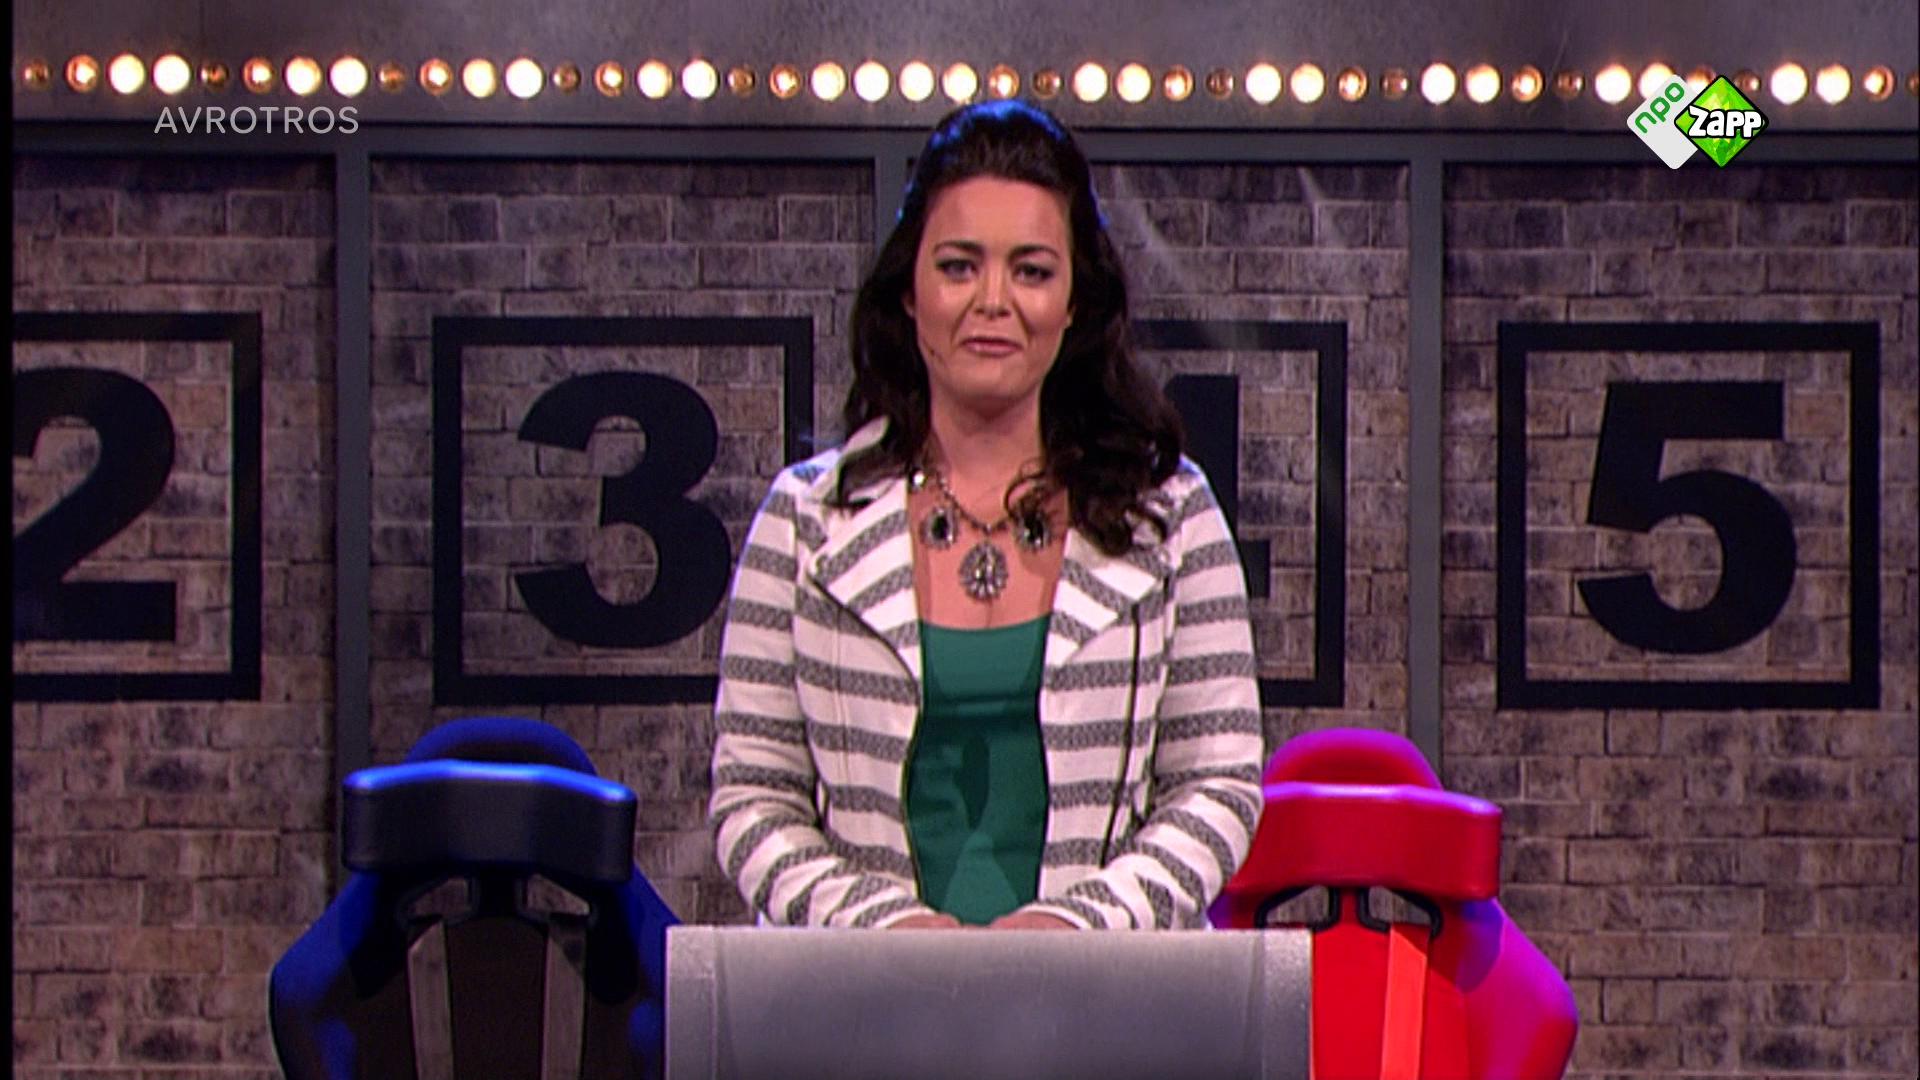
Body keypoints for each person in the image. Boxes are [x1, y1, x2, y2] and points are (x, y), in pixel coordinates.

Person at [708, 100, 1263, 931]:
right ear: (909, 290)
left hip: (1105, 993)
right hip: (862, 996)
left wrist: (1080, 925)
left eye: (1031, 271)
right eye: (959, 266)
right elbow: (752, 798)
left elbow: (1217, 787)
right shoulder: (804, 521)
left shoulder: (1171, 517)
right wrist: (880, 928)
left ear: (1075, 301)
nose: (993, 300)